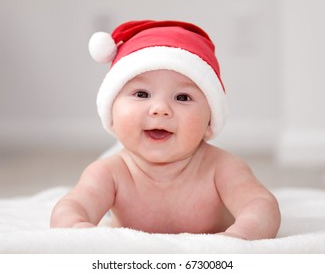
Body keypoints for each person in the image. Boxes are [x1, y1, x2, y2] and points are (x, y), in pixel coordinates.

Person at [50, 20, 281, 240]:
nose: (160, 109)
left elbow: (261, 205)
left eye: (182, 97)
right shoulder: (109, 172)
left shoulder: (222, 168)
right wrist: (77, 228)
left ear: (209, 124)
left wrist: (239, 235)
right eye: (141, 94)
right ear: (111, 113)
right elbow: (73, 207)